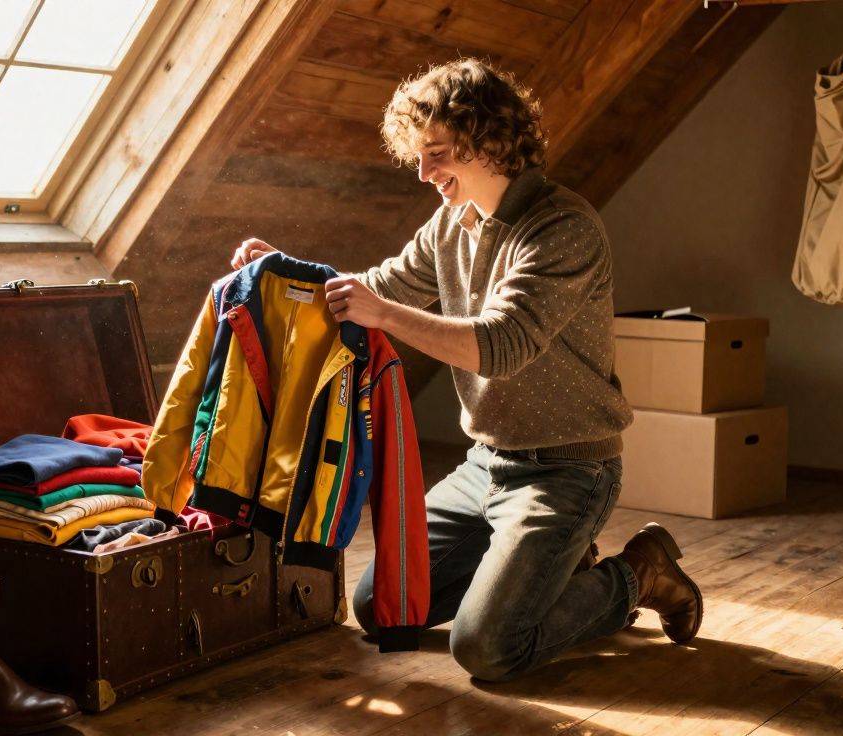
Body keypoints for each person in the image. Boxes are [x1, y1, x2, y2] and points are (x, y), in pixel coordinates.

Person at [230, 58, 702, 682]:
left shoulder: (563, 227)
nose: (424, 173)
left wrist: (385, 315)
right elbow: (377, 288)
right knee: (379, 607)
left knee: (487, 649)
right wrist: (284, 271)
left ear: (490, 140)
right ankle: (558, 569)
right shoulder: (453, 223)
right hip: (486, 464)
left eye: (438, 153)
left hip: (568, 471)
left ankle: (637, 572)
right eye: (417, 155)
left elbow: (503, 345)